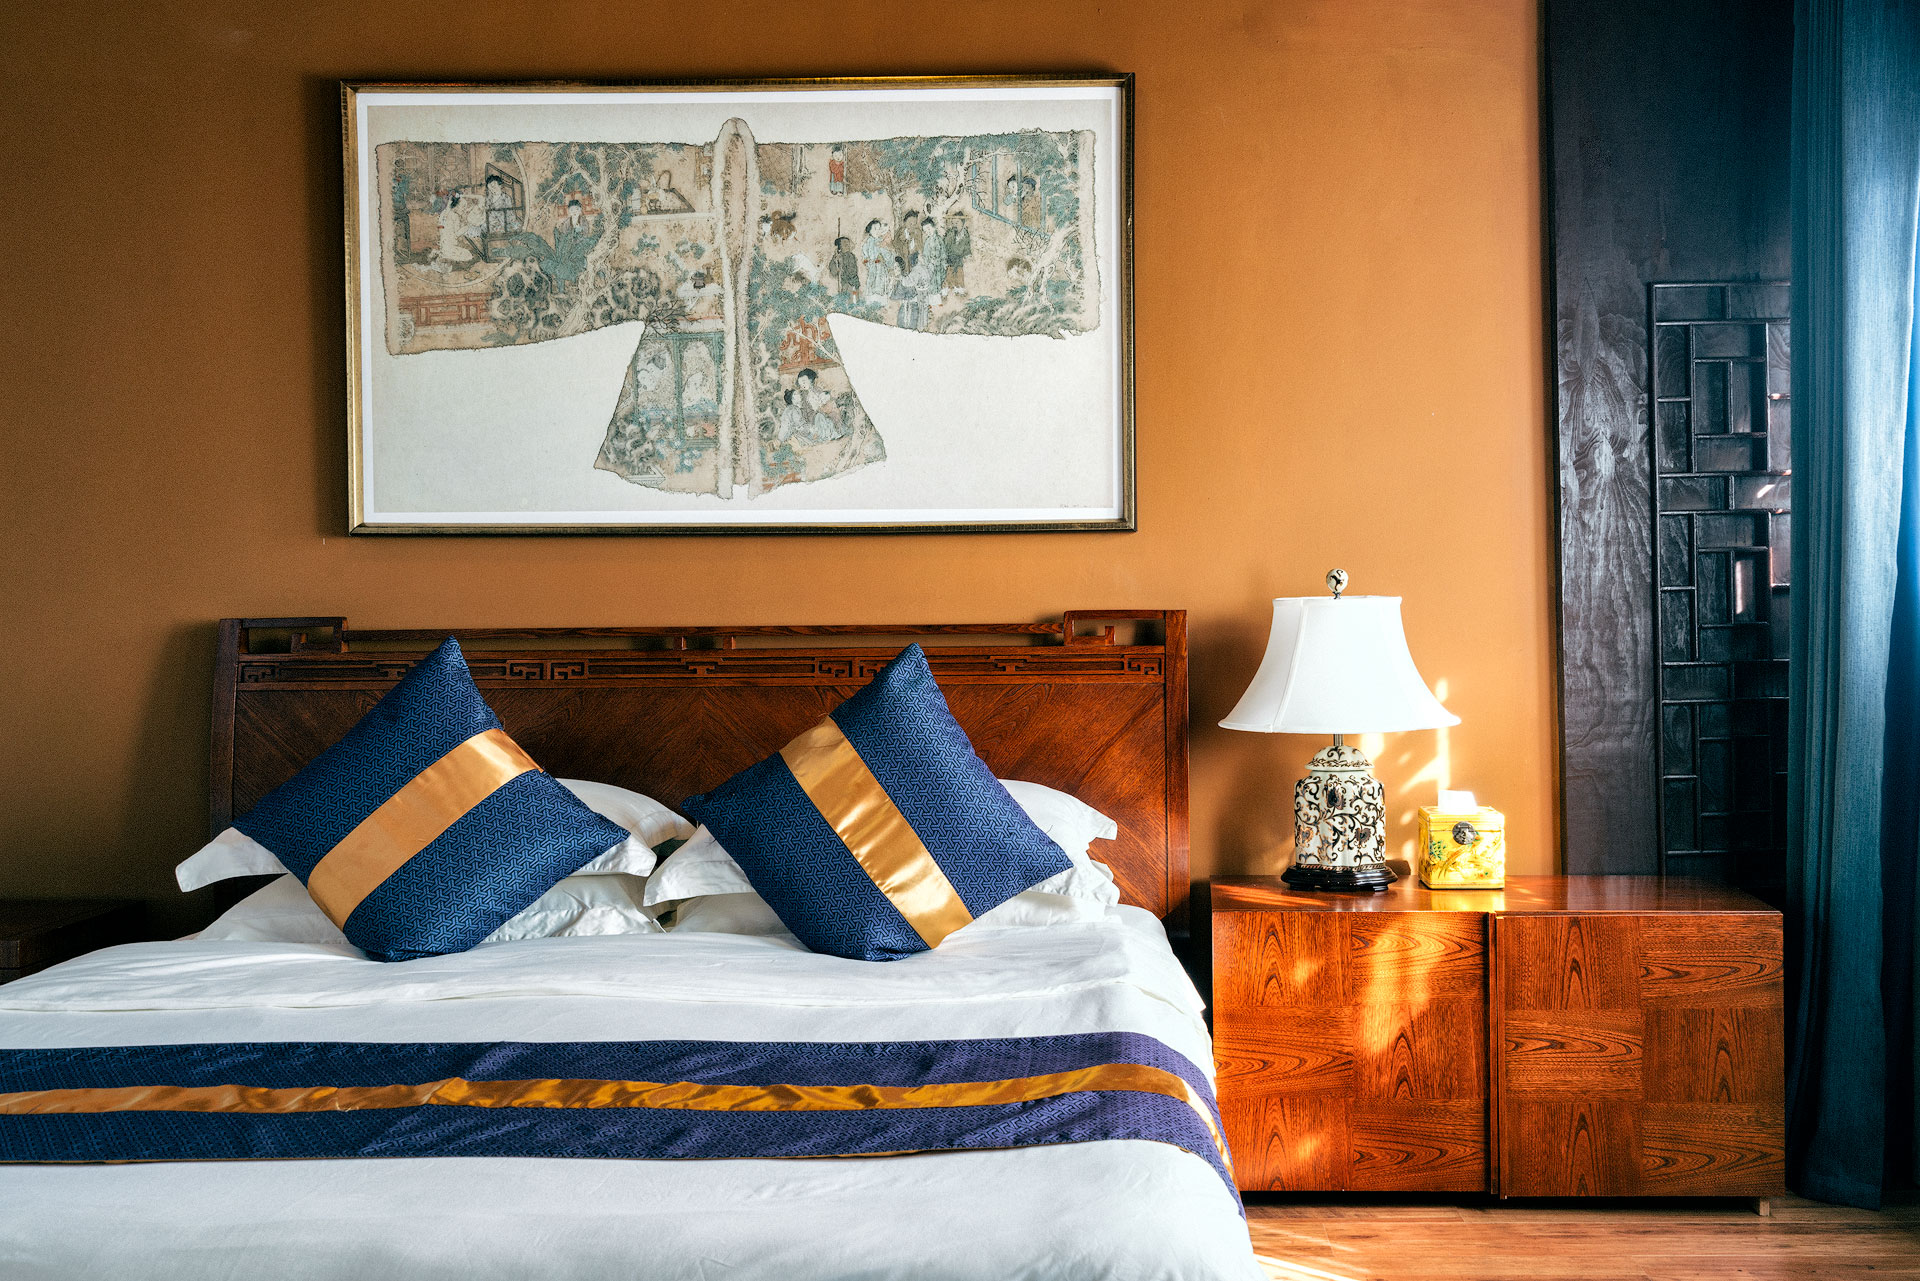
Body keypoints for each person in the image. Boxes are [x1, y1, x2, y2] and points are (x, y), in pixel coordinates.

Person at [860, 218, 890, 298]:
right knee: (873, 287)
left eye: (879, 229)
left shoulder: (882, 241)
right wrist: (870, 262)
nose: (877, 231)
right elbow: (864, 258)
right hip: (873, 268)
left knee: (882, 287)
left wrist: (884, 258)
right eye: (875, 229)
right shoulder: (867, 243)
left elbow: (888, 255)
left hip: (882, 268)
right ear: (870, 230)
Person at [942, 212, 971, 293]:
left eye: (957, 222)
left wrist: (967, 254)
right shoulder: (950, 233)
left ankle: (959, 288)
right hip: (950, 257)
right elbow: (946, 245)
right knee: (949, 272)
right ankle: (947, 287)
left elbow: (967, 246)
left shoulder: (965, 234)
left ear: (963, 223)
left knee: (959, 272)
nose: (955, 225)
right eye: (953, 223)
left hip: (959, 259)